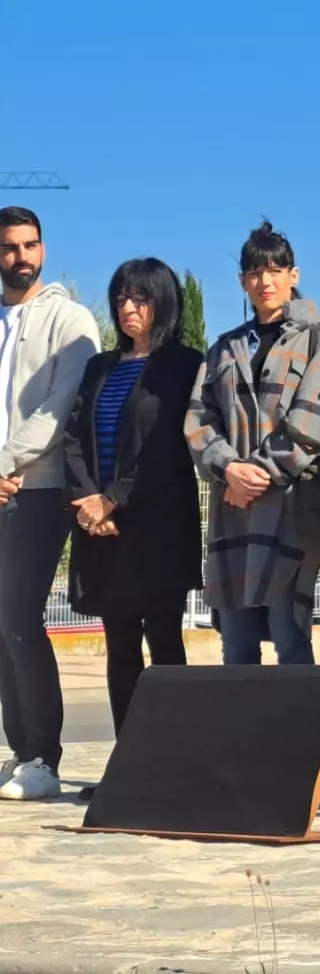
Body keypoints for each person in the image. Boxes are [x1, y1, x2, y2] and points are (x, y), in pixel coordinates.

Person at [187, 222, 320, 667]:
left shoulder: (319, 336)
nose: (265, 282)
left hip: (290, 508)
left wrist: (259, 474)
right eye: (255, 273)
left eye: (275, 270)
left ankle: (300, 737)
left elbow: (316, 418)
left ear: (293, 275)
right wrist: (228, 470)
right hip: (232, 510)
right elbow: (199, 420)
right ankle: (242, 737)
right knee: (236, 643)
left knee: (290, 637)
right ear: (242, 281)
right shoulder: (224, 348)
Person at [62, 260, 204, 760]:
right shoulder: (100, 367)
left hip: (157, 526)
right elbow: (75, 436)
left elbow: (165, 448)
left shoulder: (184, 364)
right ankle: (130, 762)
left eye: (139, 298)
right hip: (103, 531)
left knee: (164, 644)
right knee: (120, 647)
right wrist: (87, 500)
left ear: (162, 301)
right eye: (120, 297)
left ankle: (173, 760)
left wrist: (114, 498)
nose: (127, 308)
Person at [0, 206, 101, 802]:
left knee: (19, 620)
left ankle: (44, 755)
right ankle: (19, 753)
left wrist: (5, 464)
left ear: (44, 248)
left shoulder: (70, 319)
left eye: (30, 245)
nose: (21, 257)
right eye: (10, 247)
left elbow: (60, 405)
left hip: (37, 491)